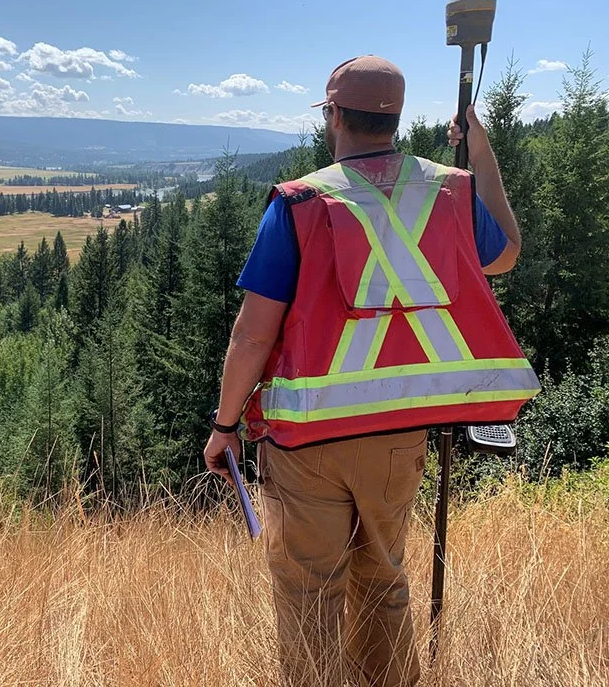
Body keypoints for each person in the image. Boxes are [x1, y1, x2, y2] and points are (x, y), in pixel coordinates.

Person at [202, 55, 539, 687]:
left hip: (307, 443)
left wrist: (224, 426)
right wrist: (480, 153)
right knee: (385, 583)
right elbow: (507, 253)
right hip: (398, 432)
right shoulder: (450, 192)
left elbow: (252, 334)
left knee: (309, 593)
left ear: (333, 115)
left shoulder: (300, 203)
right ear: (395, 119)